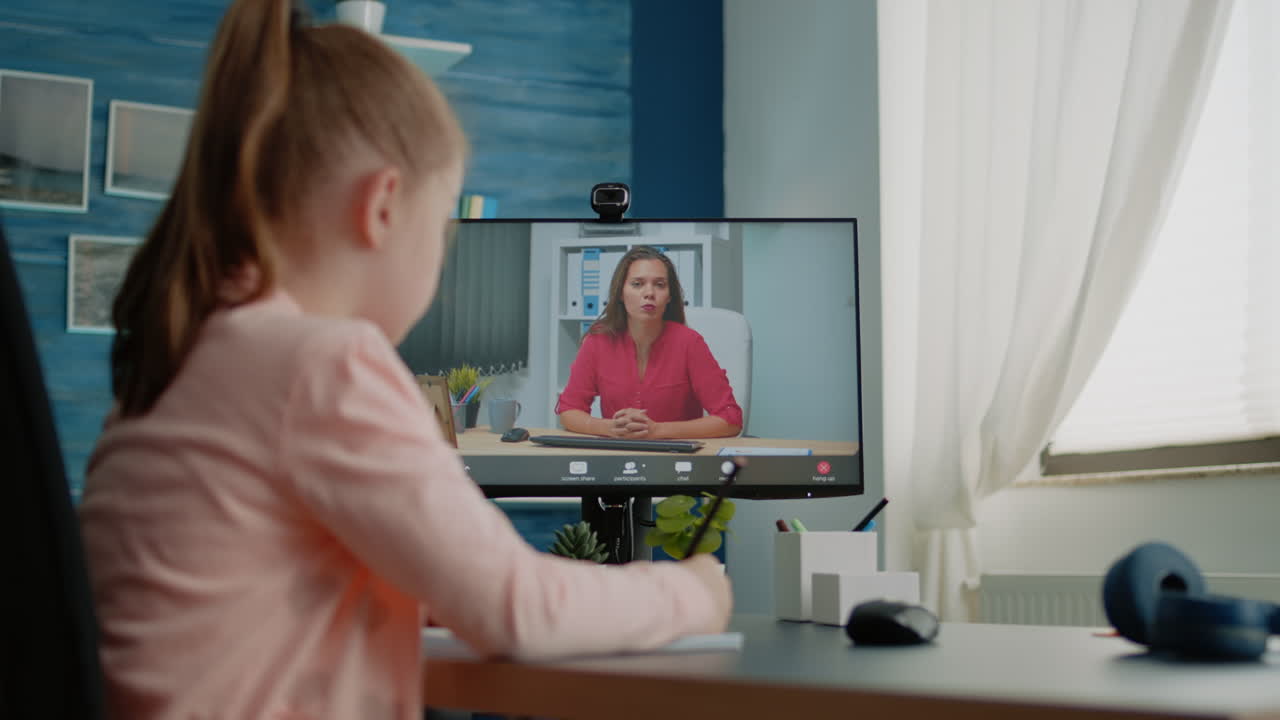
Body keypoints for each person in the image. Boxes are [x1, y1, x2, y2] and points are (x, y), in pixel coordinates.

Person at [76, 3, 732, 718]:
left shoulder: (179, 358)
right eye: (444, 222)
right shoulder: (324, 363)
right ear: (383, 206)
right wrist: (695, 592)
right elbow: (518, 607)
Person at [557, 245, 744, 439]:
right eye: (637, 284)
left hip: (675, 459)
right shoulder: (597, 341)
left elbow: (730, 419)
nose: (649, 293)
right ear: (620, 293)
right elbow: (569, 410)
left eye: (660, 285)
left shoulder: (690, 343)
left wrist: (658, 431)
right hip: (618, 454)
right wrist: (607, 428)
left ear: (669, 296)